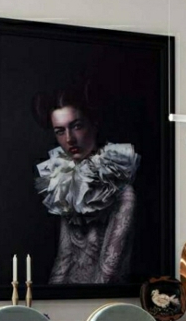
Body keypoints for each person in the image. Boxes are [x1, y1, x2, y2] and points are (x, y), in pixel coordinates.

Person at [33, 83, 140, 284]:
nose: (69, 139)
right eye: (59, 131)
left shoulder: (122, 191)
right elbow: (64, 257)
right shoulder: (66, 185)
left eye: (76, 126)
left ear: (94, 123)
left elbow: (110, 270)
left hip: (103, 300)